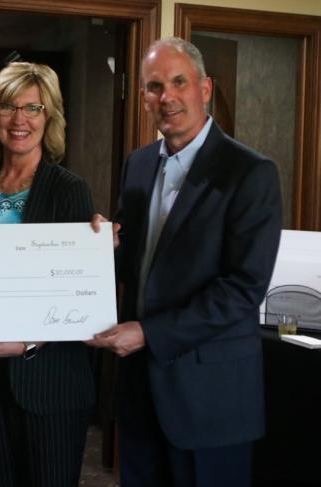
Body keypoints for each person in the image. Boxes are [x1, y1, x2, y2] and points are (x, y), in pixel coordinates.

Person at [89, 37, 282, 487]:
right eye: (154, 87)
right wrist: (103, 249)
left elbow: (243, 288)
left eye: (179, 82)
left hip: (210, 402)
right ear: (142, 98)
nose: (167, 97)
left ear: (206, 88)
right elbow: (136, 267)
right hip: (140, 396)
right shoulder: (137, 166)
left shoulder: (250, 172)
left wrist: (150, 333)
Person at [0, 62, 96, 487]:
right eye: (9, 107)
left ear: (48, 116)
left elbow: (79, 295)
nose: (20, 120)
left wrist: (27, 343)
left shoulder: (68, 188)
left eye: (33, 108)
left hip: (47, 380)